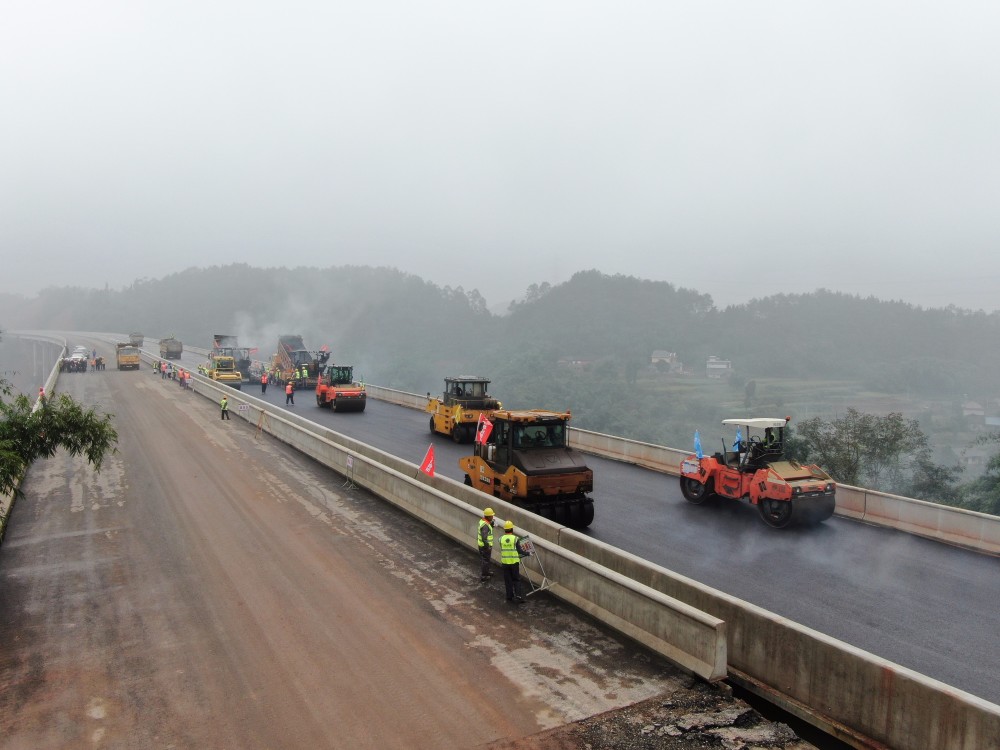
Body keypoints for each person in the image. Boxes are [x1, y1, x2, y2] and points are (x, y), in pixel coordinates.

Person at [499, 521, 526, 604]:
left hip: (505, 563)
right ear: (512, 529)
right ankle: (518, 596)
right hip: (514, 562)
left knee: (508, 580)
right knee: (516, 579)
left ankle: (509, 596)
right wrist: (528, 553)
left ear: (505, 530)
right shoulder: (515, 539)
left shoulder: (500, 539)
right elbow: (520, 550)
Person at [477, 508, 496, 583]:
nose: (492, 517)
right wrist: (487, 546)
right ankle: (484, 576)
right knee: (485, 561)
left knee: (486, 560)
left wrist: (491, 524)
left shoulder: (483, 521)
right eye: (491, 516)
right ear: (488, 516)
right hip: (485, 546)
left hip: (483, 545)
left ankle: (486, 572)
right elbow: (484, 538)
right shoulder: (485, 525)